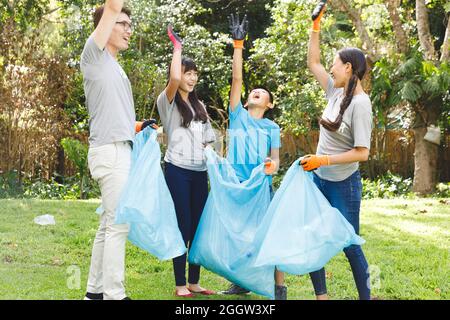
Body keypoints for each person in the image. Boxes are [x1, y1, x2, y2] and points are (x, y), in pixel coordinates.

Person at [81, 1, 155, 301]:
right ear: (105, 27)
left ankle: (95, 293)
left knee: (107, 224)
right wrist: (114, 10)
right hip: (109, 152)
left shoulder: (113, 66)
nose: (128, 29)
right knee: (117, 225)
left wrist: (137, 126)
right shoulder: (93, 55)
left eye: (129, 24)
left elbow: (111, 112)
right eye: (122, 23)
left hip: (117, 147)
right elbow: (112, 5)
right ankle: (115, 295)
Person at [301, 1, 373, 300]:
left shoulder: (360, 104)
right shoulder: (335, 91)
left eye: (336, 62)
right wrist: (315, 26)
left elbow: (362, 153)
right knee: (312, 238)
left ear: (348, 67)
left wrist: (323, 159)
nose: (330, 66)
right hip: (320, 179)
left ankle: (367, 297)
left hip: (344, 185)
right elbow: (313, 63)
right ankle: (322, 297)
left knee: (349, 244)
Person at [218, 13, 286, 300]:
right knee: (237, 235)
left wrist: (272, 167)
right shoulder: (237, 116)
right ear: (246, 100)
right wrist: (238, 45)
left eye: (263, 93)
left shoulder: (271, 127)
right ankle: (240, 281)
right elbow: (237, 78)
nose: (256, 92)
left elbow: (276, 159)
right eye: (254, 91)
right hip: (237, 185)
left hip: (260, 187)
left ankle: (279, 286)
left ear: (268, 105)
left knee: (268, 233)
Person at [157, 25, 216, 298]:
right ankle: (180, 283)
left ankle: (194, 282)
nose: (190, 78)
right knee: (182, 224)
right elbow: (173, 79)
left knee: (197, 227)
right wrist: (177, 49)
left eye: (194, 74)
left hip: (199, 172)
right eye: (187, 73)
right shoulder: (167, 101)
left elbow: (208, 141)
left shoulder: (200, 106)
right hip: (177, 171)